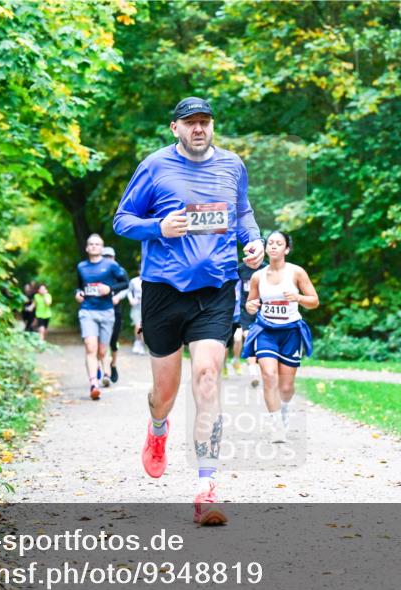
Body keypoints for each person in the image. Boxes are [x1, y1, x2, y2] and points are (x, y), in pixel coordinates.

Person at [113, 96, 264, 525]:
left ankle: (206, 484)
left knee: (206, 377)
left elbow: (243, 213)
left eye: (205, 122)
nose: (199, 129)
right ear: (174, 127)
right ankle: (157, 430)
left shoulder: (232, 165)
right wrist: (156, 227)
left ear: (212, 126)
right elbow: (122, 221)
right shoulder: (155, 166)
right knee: (165, 394)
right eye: (190, 123)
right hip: (163, 291)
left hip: (216, 289)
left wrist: (251, 241)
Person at [242, 231, 318, 443]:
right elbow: (250, 305)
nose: (273, 246)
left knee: (286, 386)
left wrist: (298, 297)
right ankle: (276, 425)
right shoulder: (257, 276)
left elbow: (314, 300)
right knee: (268, 375)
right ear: (266, 248)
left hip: (291, 332)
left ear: (286, 249)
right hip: (266, 330)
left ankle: (282, 410)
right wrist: (251, 305)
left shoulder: (297, 273)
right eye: (270, 243)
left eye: (279, 243)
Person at [76, 233, 129, 400]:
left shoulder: (111, 265)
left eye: (97, 244)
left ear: (101, 247)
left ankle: (103, 368)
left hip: (106, 311)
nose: (93, 246)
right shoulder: (81, 267)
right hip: (87, 311)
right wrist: (78, 294)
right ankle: (93, 384)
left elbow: (125, 283)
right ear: (86, 248)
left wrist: (110, 289)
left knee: (102, 350)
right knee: (90, 346)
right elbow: (79, 287)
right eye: (90, 244)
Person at [103, 246, 130, 383]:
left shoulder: (120, 271)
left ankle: (113, 365)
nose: (108, 259)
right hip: (101, 309)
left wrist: (118, 297)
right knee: (101, 341)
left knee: (113, 341)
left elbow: (127, 286)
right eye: (105, 257)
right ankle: (103, 369)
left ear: (114, 257)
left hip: (116, 309)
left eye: (110, 257)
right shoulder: (99, 271)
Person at [234, 257, 263, 385]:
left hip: (263, 310)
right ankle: (253, 373)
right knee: (248, 338)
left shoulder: (266, 269)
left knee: (257, 341)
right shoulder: (240, 269)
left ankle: (258, 371)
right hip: (244, 310)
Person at [128, 274, 145, 355]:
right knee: (138, 326)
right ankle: (137, 342)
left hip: (146, 307)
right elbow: (129, 291)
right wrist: (131, 300)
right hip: (136, 306)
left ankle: (142, 345)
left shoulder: (150, 280)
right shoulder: (134, 281)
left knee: (144, 327)